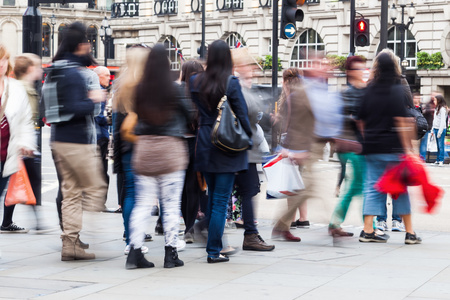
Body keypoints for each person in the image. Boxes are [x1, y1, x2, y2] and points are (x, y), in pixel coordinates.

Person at [123, 44, 195, 269]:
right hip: (170, 150)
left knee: (143, 204)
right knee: (171, 205)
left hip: (144, 149)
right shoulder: (175, 89)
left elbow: (135, 113)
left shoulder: (139, 89)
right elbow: (190, 114)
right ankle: (170, 254)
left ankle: (134, 253)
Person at [48, 22, 108, 260]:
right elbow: (75, 107)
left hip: (59, 139)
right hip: (77, 142)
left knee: (71, 192)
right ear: (80, 45)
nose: (88, 46)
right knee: (96, 188)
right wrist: (93, 99)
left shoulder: (54, 71)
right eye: (86, 42)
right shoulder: (74, 74)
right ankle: (80, 233)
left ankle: (70, 243)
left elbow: (49, 108)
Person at [190, 40, 252, 263]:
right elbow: (242, 115)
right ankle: (213, 251)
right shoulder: (230, 82)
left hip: (205, 142)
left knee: (213, 197)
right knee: (220, 201)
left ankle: (211, 244)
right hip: (225, 144)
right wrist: (249, 139)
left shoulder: (194, 81)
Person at [357, 50, 421, 244]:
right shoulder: (396, 90)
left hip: (373, 148)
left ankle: (368, 230)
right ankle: (409, 232)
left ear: (376, 67)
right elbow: (402, 121)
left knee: (372, 188)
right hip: (393, 149)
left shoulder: (368, 89)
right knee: (400, 189)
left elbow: (359, 119)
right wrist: (409, 150)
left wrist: (366, 137)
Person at [232, 48, 274, 251]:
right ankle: (250, 235)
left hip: (246, 150)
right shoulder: (237, 86)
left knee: (247, 190)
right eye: (248, 65)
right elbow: (251, 111)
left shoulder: (243, 86)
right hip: (241, 150)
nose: (252, 69)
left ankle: (250, 233)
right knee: (247, 191)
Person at [112, 46, 152, 255]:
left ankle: (130, 238)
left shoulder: (121, 85)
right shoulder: (145, 86)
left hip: (125, 145)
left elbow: (116, 122)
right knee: (143, 195)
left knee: (130, 193)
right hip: (142, 143)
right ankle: (136, 237)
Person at [0, 45, 36, 234]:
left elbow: (25, 119)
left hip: (6, 154)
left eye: (4, 59)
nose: (2, 64)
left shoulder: (15, 87)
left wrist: (26, 143)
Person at [328, 55, 366, 237]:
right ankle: (367, 226)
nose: (362, 72)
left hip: (359, 146)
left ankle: (337, 223)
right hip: (350, 146)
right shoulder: (347, 93)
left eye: (363, 68)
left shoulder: (365, 91)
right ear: (350, 73)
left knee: (358, 186)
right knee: (357, 186)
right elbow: (339, 118)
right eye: (359, 69)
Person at [272, 68, 309, 239]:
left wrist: (277, 120)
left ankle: (290, 220)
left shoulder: (290, 99)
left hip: (292, 145)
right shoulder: (302, 96)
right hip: (302, 144)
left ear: (286, 81)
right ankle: (303, 218)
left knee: (291, 185)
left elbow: (287, 125)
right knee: (299, 183)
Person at [178, 59, 205, 243]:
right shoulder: (202, 92)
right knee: (193, 187)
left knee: (180, 188)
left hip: (178, 143)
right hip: (196, 143)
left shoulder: (176, 90)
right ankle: (189, 228)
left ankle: (186, 226)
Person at [93, 66, 111, 190]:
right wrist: (110, 120)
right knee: (101, 172)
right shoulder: (98, 91)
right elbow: (98, 116)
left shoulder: (96, 90)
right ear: (99, 77)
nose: (109, 79)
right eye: (107, 75)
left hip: (97, 136)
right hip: (100, 137)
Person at [431, 94, 447, 166]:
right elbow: (435, 120)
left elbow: (443, 121)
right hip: (435, 128)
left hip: (441, 129)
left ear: (439, 100)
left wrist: (440, 132)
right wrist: (432, 129)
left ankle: (441, 160)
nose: (434, 101)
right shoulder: (436, 108)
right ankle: (437, 160)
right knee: (437, 146)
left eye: (435, 100)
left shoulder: (442, 109)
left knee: (441, 146)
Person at [419, 97, 435, 162]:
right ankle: (422, 158)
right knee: (423, 143)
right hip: (426, 127)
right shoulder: (428, 106)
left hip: (430, 127)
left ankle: (422, 158)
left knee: (424, 143)